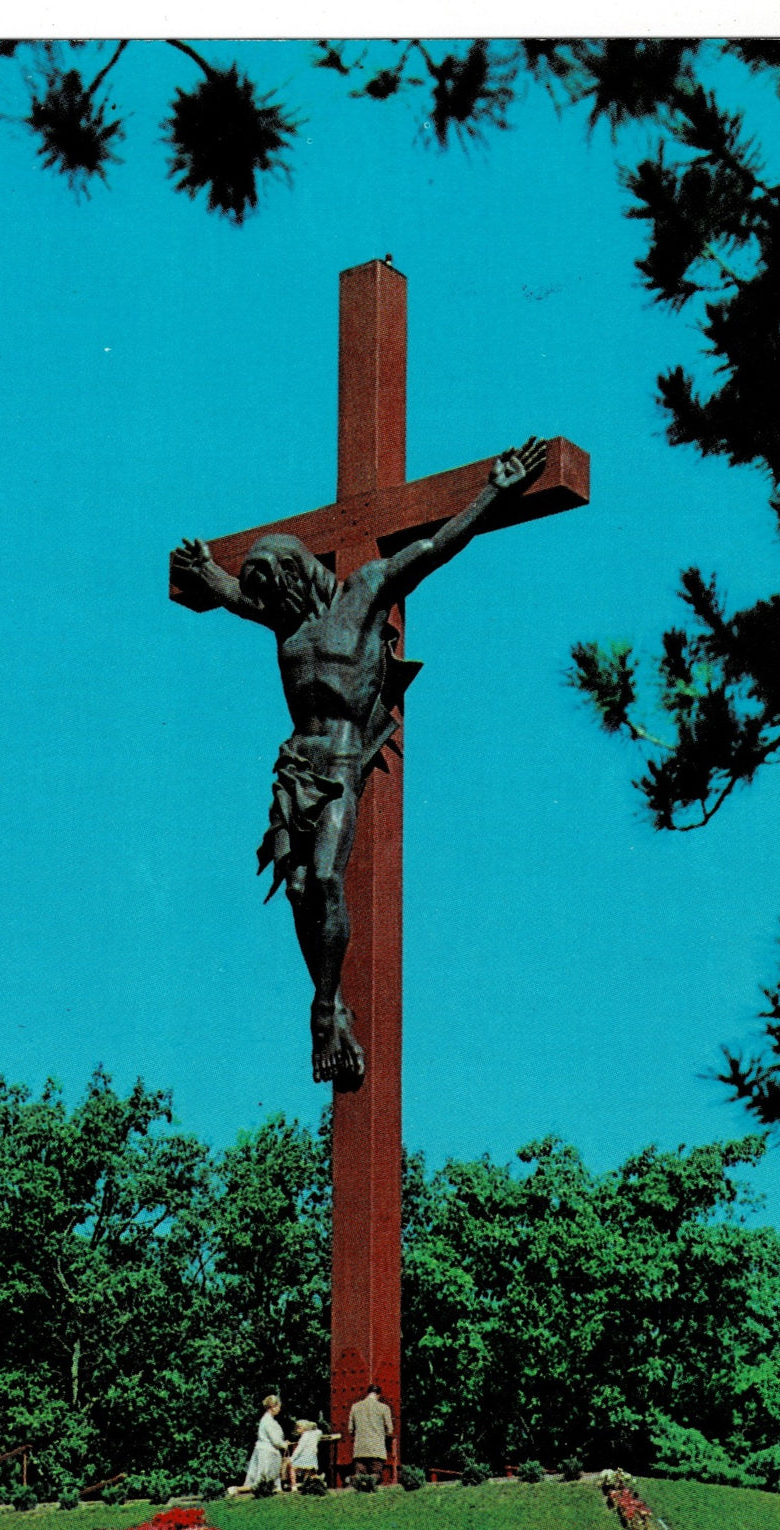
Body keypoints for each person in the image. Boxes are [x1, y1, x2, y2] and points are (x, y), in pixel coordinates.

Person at [171, 436, 547, 1091]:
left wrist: (494, 493)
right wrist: (208, 573)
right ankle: (328, 997)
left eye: (275, 593)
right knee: (294, 890)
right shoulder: (282, 619)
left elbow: (432, 548)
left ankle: (324, 1007)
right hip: (296, 769)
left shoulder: (366, 591)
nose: (270, 609)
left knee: (323, 881)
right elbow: (234, 595)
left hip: (344, 758)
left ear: (295, 575)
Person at [239, 1393, 288, 1491]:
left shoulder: (271, 1421)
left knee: (271, 1482)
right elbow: (275, 1441)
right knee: (260, 1482)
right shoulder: (267, 1421)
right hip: (266, 1453)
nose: (279, 1409)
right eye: (278, 1406)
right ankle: (236, 1489)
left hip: (271, 1452)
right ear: (272, 1407)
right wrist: (284, 1444)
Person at [348, 1383, 393, 1479]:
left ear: (368, 1393)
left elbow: (350, 1429)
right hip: (376, 1449)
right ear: (378, 1395)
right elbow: (390, 1430)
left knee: (360, 1477)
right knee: (375, 1475)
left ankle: (353, 1482)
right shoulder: (384, 1408)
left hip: (360, 1449)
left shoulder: (355, 1407)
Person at [283, 1419, 322, 1492]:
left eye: (298, 1427)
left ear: (304, 1428)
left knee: (292, 1467)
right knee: (308, 1472)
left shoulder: (304, 1436)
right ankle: (307, 1485)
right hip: (312, 1458)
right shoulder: (313, 1435)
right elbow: (319, 1432)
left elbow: (299, 1449)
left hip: (304, 1457)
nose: (297, 1429)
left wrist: (292, 1459)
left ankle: (294, 1486)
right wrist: (313, 1425)